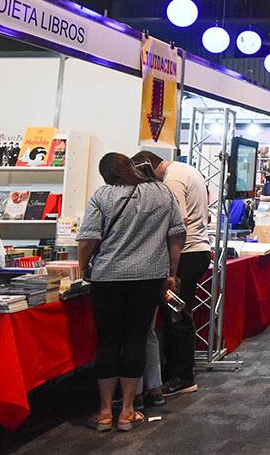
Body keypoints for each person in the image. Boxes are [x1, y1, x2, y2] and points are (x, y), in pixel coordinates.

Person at [78, 153, 185, 431]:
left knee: (109, 340)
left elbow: (88, 238)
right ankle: (127, 411)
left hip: (107, 278)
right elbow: (177, 234)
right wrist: (171, 273)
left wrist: (84, 267)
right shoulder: (161, 192)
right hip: (147, 277)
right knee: (136, 339)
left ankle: (104, 412)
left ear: (106, 175)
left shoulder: (102, 196)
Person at [130, 151, 211, 397]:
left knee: (177, 316)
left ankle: (182, 377)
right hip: (193, 251)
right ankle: (178, 372)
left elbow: (179, 222)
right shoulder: (185, 170)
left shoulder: (173, 179)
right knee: (178, 314)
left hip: (186, 253)